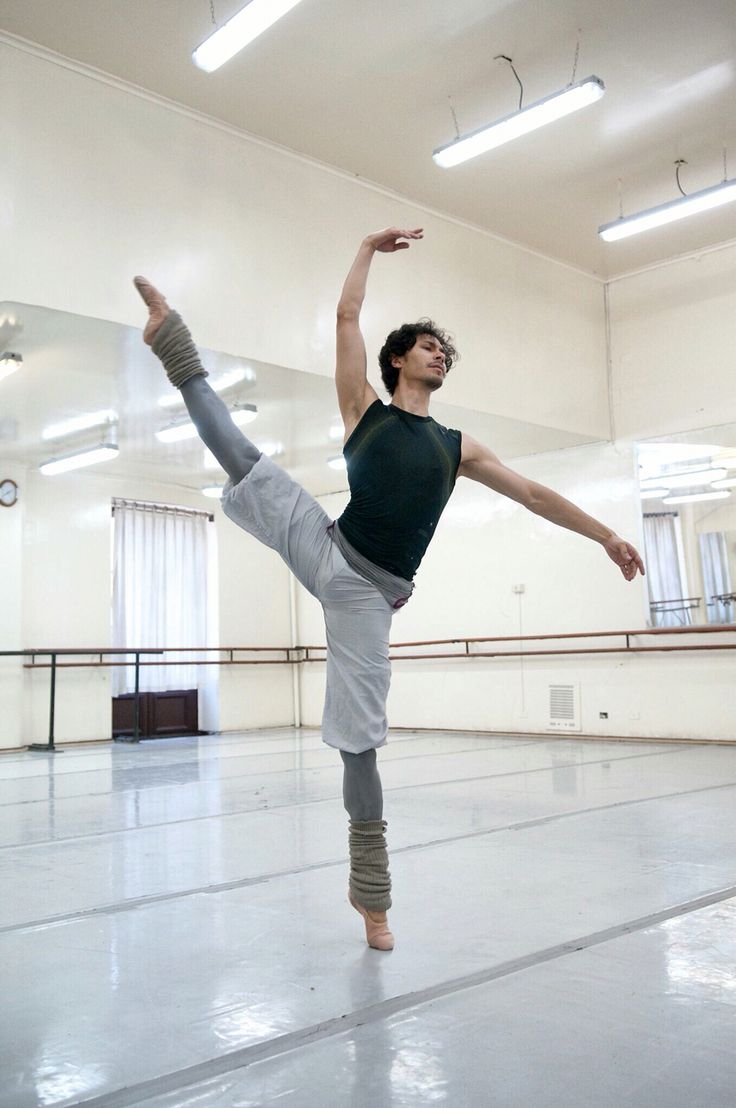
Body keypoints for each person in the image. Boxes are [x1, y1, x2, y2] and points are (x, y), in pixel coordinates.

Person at [134, 226, 645, 952]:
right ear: (400, 359)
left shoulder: (455, 446)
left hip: (366, 597)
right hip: (326, 543)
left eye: (445, 351)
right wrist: (368, 248)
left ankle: (370, 896)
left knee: (360, 744)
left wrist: (605, 534)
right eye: (428, 345)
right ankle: (170, 338)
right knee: (244, 460)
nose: (440, 354)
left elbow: (530, 493)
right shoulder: (362, 412)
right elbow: (346, 318)